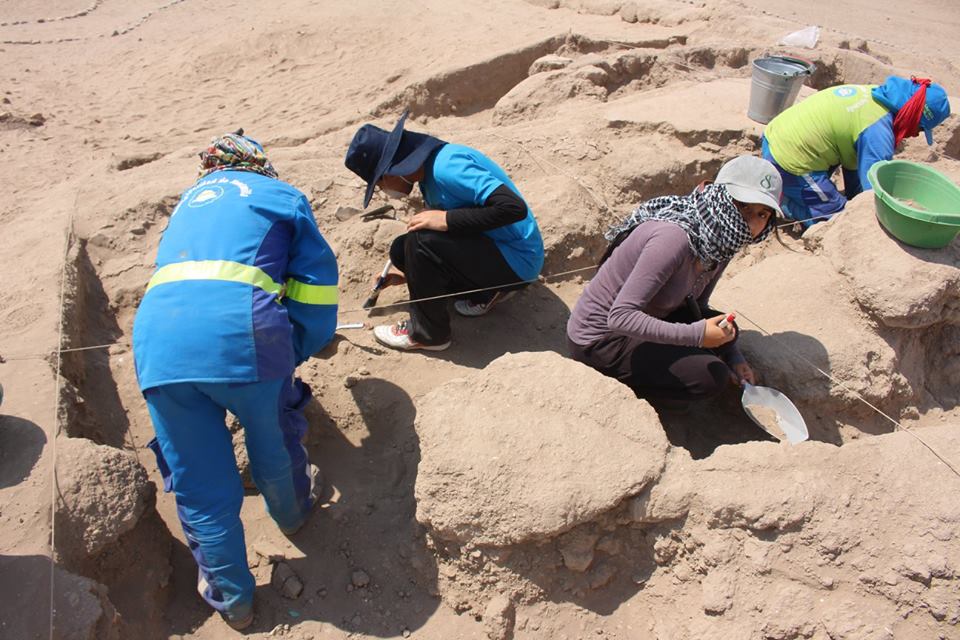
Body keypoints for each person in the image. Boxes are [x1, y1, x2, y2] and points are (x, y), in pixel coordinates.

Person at [132, 131, 338, 629]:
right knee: (272, 442)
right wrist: (293, 349)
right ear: (259, 165)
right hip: (244, 335)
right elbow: (316, 286)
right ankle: (293, 514)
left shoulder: (187, 202)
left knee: (198, 482)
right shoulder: (281, 195)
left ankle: (234, 601)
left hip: (158, 343)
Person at [566, 155, 782, 407]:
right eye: (743, 206)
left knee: (728, 331)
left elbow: (696, 305)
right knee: (710, 377)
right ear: (720, 197)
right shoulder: (673, 238)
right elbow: (620, 317)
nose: (751, 222)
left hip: (650, 315)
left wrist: (734, 357)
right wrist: (697, 336)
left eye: (762, 214)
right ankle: (629, 395)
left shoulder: (722, 241)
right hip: (601, 339)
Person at [344, 111, 544, 351]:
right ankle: (486, 293)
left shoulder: (447, 167)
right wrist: (411, 276)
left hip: (519, 261)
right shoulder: (427, 174)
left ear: (392, 170)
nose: (382, 189)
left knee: (420, 242)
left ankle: (429, 335)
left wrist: (447, 219)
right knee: (402, 249)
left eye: (379, 183)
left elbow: (513, 208)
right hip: (496, 249)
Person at [762, 75, 950, 227]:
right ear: (913, 114)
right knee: (837, 220)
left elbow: (854, 167)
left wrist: (854, 197)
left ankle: (795, 192)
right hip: (789, 160)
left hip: (776, 137)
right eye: (920, 128)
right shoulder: (878, 133)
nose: (915, 134)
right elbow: (873, 194)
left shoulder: (876, 96)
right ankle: (784, 203)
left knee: (842, 197)